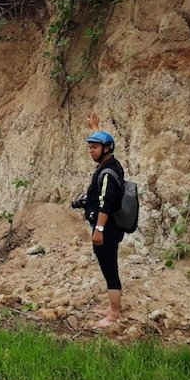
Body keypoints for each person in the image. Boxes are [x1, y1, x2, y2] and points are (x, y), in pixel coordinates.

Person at [71, 112, 126, 329]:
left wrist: (99, 229)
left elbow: (106, 203)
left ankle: (113, 314)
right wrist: (96, 127)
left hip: (107, 227)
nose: (91, 151)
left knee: (109, 267)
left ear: (106, 149)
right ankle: (113, 307)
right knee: (107, 265)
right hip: (107, 226)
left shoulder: (107, 173)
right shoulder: (109, 164)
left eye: (95, 147)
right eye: (90, 147)